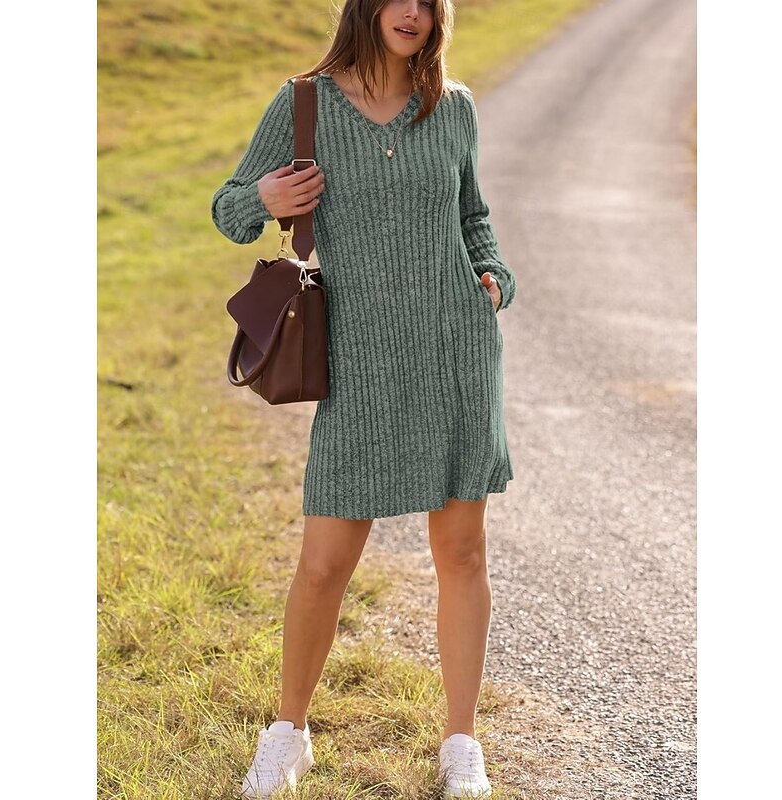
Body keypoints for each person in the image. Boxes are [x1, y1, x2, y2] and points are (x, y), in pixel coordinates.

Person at [211, 1, 517, 797]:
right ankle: (288, 734)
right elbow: (229, 211)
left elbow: (473, 220)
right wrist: (265, 198)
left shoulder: (453, 107)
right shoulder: (304, 104)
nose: (412, 12)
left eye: (428, 0)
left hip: (455, 353)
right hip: (358, 366)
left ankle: (461, 742)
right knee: (323, 565)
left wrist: (494, 278)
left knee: (462, 553)